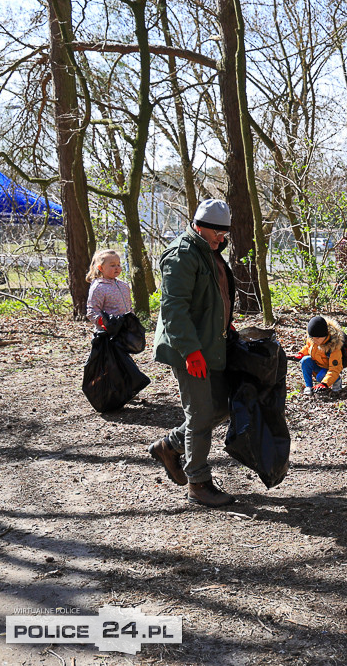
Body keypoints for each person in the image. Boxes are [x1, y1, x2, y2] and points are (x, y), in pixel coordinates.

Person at [148, 199, 237, 508]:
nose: (222, 239)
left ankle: (170, 445)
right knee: (199, 414)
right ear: (200, 226)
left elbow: (214, 297)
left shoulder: (208, 251)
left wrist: (226, 324)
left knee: (223, 405)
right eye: (218, 233)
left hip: (210, 342)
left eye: (225, 234)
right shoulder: (182, 254)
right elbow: (174, 309)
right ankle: (197, 483)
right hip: (188, 348)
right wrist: (191, 352)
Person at [292, 315, 344, 396]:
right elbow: (308, 347)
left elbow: (334, 369)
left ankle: (337, 381)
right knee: (305, 361)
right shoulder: (312, 339)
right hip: (317, 364)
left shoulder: (334, 347)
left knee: (320, 377)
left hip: (328, 369)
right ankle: (308, 386)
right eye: (313, 338)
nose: (315, 341)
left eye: (317, 338)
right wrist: (301, 354)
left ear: (325, 335)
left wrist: (324, 384)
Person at [85, 249, 132, 332]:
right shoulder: (98, 287)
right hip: (107, 334)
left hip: (125, 331)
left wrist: (132, 320)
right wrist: (106, 323)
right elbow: (92, 311)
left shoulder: (124, 286)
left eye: (118, 264)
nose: (117, 268)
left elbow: (129, 307)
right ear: (101, 268)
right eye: (112, 265)